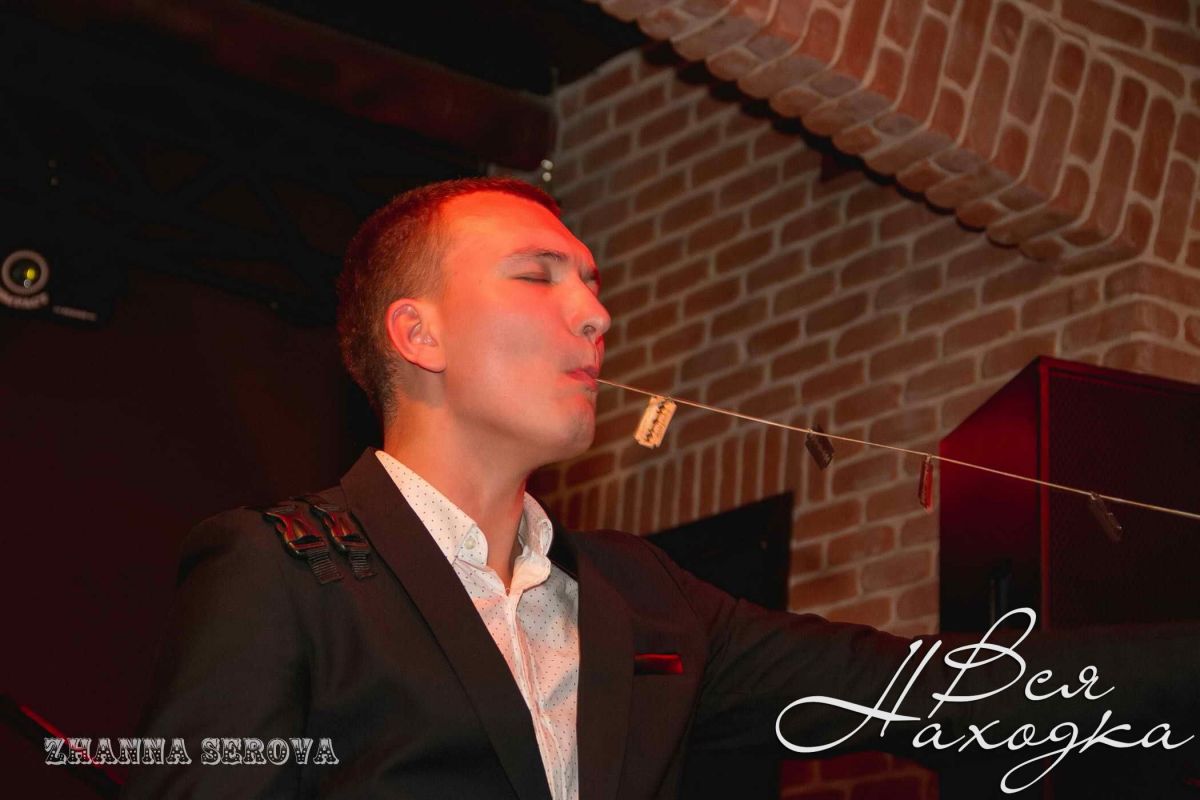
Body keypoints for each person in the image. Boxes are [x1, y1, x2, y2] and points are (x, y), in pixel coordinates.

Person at [123, 177, 1199, 799]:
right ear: (420, 333)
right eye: (539, 276)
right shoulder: (278, 566)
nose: (597, 315)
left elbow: (933, 688)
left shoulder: (646, 600)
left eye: (593, 285)